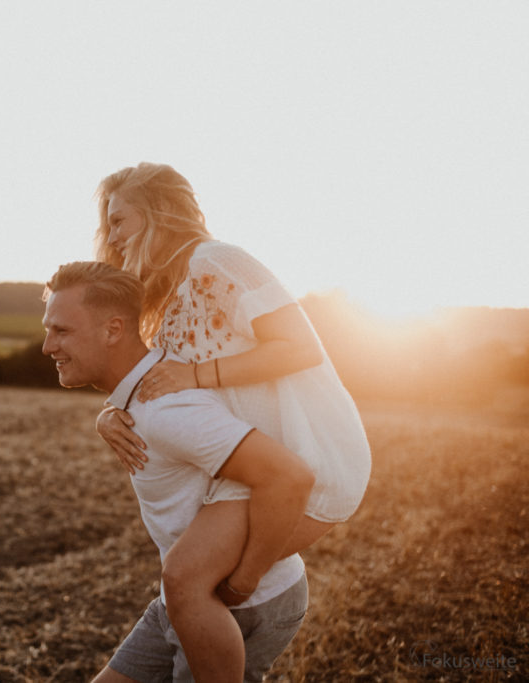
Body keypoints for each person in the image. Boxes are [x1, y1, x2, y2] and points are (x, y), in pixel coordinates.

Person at [94, 163, 371, 681]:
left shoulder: (218, 262)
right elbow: (155, 381)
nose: (110, 237)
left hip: (304, 460)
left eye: (119, 220)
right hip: (248, 474)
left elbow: (300, 346)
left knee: (192, 579)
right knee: (185, 588)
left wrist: (200, 372)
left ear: (158, 213)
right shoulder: (170, 297)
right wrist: (108, 414)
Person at [41, 261, 312, 682]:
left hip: (236, 603)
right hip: (181, 598)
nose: (47, 346)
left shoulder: (167, 410)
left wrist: (242, 584)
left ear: (113, 330)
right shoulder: (146, 394)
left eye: (61, 331)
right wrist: (108, 413)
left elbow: (289, 477)